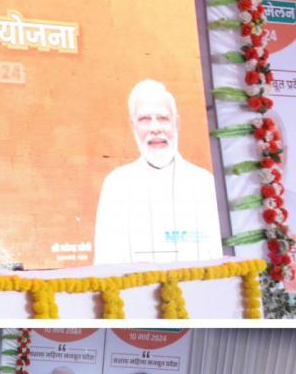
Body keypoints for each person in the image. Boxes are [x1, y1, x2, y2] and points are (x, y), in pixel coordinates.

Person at [93, 78, 221, 265]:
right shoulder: (117, 185)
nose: (155, 128)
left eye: (162, 118)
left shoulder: (204, 183)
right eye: (144, 119)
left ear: (176, 123)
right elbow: (105, 263)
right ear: (133, 126)